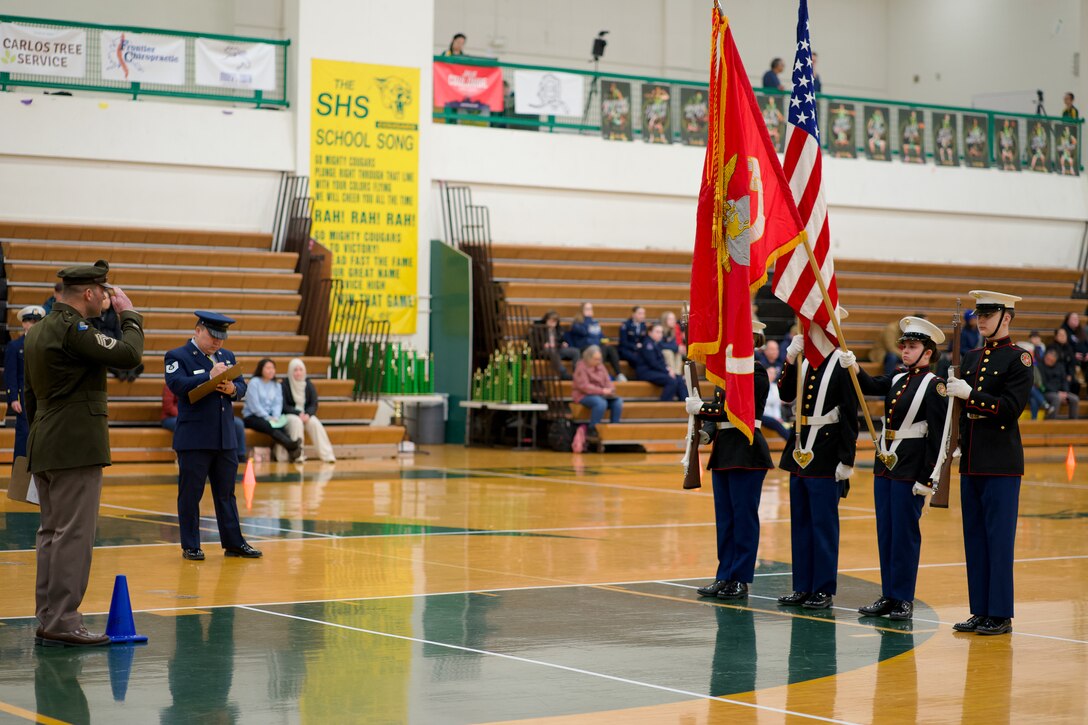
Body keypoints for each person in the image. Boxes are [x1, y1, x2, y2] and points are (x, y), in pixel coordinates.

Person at [25, 260, 144, 646]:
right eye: (105, 292)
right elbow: (129, 356)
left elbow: (30, 397)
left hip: (45, 441)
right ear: (89, 294)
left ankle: (49, 616)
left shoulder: (38, 330)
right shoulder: (74, 330)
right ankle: (64, 621)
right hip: (75, 445)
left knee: (51, 534)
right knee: (74, 536)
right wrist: (130, 315)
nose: (107, 298)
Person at [841, 317, 949, 621]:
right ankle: (888, 595)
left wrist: (929, 478)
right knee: (886, 534)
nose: (905, 351)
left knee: (904, 536)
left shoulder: (935, 386)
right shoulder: (899, 377)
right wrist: (855, 367)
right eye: (904, 345)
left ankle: (903, 598)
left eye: (912, 346)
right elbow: (873, 386)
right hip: (887, 463)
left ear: (928, 353)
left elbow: (939, 437)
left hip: (911, 469)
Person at [945, 290, 1033, 636]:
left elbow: (1010, 409)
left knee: (998, 540)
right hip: (972, 460)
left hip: (1001, 462)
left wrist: (971, 396)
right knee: (975, 538)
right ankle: (980, 609)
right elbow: (960, 412)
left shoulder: (1018, 359)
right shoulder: (970, 357)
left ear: (1006, 317)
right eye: (978, 315)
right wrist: (957, 443)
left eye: (987, 314)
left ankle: (1000, 613)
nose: (980, 321)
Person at [776, 317, 859, 610]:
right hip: (800, 451)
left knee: (823, 526)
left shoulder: (841, 362)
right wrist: (789, 357)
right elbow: (786, 395)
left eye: (815, 327)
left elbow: (851, 414)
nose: (809, 332)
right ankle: (802, 587)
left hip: (826, 454)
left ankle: (822, 588)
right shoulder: (804, 361)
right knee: (800, 524)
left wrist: (847, 459)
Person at [688, 320, 774, 601]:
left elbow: (737, 407)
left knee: (743, 519)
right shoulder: (725, 374)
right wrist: (705, 432)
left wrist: (704, 408)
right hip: (725, 452)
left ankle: (741, 578)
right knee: (725, 520)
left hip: (747, 452)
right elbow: (720, 419)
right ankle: (724, 575)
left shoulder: (757, 372)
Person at [165, 311, 260, 561]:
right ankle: (191, 545)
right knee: (191, 494)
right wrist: (208, 377)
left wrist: (232, 389)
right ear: (198, 331)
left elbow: (241, 385)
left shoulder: (226, 356)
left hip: (224, 437)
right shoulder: (178, 356)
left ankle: (233, 542)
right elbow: (176, 385)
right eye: (212, 336)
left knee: (226, 493)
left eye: (221, 337)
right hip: (195, 438)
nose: (218, 342)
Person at [161, 384, 247, 461]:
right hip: (172, 417)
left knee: (238, 423)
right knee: (193, 424)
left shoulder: (207, 383)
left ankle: (240, 455)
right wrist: (188, 415)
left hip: (201, 415)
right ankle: (193, 456)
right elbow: (168, 406)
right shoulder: (173, 383)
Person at [243, 359, 305, 462]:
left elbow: (278, 404)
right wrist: (268, 417)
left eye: (273, 368)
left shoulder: (276, 385)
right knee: (267, 425)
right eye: (268, 368)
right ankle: (291, 445)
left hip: (272, 417)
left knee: (281, 425)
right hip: (253, 417)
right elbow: (254, 406)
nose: (271, 370)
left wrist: (276, 417)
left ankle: (291, 451)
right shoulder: (254, 383)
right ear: (261, 369)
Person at [5, 305, 44, 460]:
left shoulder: (45, 345)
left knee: (43, 438)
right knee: (24, 438)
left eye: (35, 321)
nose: (32, 324)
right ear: (23, 323)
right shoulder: (14, 346)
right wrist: (13, 398)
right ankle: (20, 480)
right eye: (29, 321)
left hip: (43, 398)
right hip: (24, 398)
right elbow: (10, 374)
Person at [282, 358, 337, 463]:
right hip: (289, 415)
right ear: (290, 371)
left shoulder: (308, 384)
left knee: (315, 423)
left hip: (305, 415)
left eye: (300, 369)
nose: (298, 372)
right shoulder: (284, 384)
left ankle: (327, 455)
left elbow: (314, 403)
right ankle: (298, 455)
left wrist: (308, 414)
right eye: (295, 370)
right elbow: (283, 406)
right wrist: (298, 413)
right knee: (296, 422)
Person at [89, 294, 144, 382]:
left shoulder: (113, 314)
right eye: (104, 299)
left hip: (114, 343)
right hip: (102, 344)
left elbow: (118, 331)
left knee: (134, 360)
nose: (106, 301)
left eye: (108, 299)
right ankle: (121, 371)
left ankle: (129, 372)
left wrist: (121, 344)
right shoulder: (92, 314)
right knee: (108, 360)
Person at [571, 345, 623, 437]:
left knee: (618, 401)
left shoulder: (601, 366)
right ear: (588, 358)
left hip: (601, 394)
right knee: (600, 403)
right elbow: (585, 387)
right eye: (596, 359)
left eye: (599, 359)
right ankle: (593, 428)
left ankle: (614, 427)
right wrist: (602, 391)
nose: (598, 361)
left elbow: (607, 380)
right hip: (583, 395)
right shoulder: (581, 367)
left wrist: (610, 389)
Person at [564, 302, 624, 380]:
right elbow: (584, 332)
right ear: (582, 311)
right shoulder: (577, 324)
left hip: (596, 346)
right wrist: (588, 319)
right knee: (599, 350)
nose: (590, 311)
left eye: (591, 309)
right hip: (584, 348)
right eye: (587, 309)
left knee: (610, 348)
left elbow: (601, 337)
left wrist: (606, 340)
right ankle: (599, 374)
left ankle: (619, 374)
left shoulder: (595, 323)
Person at [635, 323, 684, 401]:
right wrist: (667, 371)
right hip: (646, 372)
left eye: (661, 332)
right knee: (672, 381)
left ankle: (685, 404)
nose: (660, 334)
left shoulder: (656, 343)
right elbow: (653, 363)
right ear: (650, 333)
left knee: (679, 379)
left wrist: (668, 369)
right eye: (657, 332)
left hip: (655, 370)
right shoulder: (648, 344)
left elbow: (661, 362)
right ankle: (663, 406)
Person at [533, 311, 579, 379]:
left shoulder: (559, 329)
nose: (552, 323)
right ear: (546, 320)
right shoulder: (539, 329)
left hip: (558, 349)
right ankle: (563, 373)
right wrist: (543, 345)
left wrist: (564, 343)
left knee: (575, 351)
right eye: (551, 321)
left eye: (554, 321)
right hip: (544, 351)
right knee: (553, 351)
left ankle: (577, 373)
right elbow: (534, 342)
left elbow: (562, 340)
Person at [1040, 347, 1079, 418]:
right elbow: (1043, 383)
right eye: (1047, 359)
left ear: (1055, 360)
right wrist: (1057, 392)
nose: (1048, 361)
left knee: (1075, 399)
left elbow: (1064, 381)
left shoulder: (1060, 366)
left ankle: (1073, 422)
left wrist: (1065, 392)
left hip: (1060, 392)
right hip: (1047, 392)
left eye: (1051, 360)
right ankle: (1050, 423)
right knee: (1056, 398)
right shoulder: (1040, 366)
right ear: (1045, 356)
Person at [659, 310, 686, 375]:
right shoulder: (660, 329)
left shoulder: (673, 330)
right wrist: (677, 348)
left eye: (674, 319)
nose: (673, 321)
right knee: (669, 352)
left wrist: (678, 348)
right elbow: (660, 345)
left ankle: (677, 374)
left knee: (678, 354)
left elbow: (674, 344)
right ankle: (672, 374)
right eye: (670, 319)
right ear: (665, 320)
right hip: (658, 353)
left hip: (670, 351)